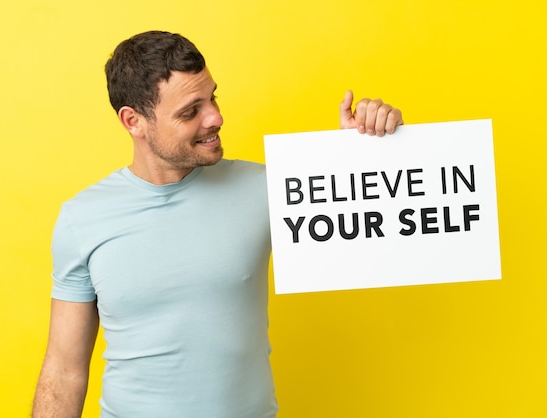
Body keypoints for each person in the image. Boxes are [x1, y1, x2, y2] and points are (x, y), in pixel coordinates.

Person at [32, 30, 403, 418]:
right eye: (190, 111)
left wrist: (363, 153)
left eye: (213, 97)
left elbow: (374, 224)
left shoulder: (269, 188)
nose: (216, 117)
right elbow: (64, 369)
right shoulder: (82, 219)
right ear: (134, 121)